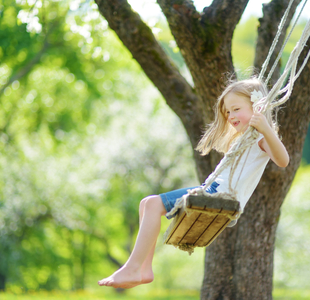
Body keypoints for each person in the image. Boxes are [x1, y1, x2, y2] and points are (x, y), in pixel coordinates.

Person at [98, 77, 289, 289]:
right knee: (146, 203)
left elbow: (283, 161)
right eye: (227, 112)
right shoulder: (243, 138)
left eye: (236, 109)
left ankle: (132, 267)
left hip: (219, 194)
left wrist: (266, 128)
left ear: (258, 106)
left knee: (153, 204)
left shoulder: (261, 138)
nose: (231, 116)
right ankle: (144, 269)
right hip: (211, 190)